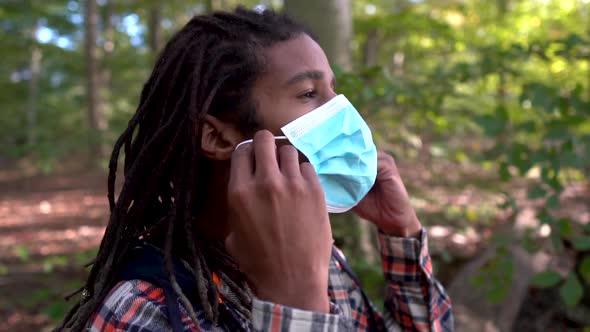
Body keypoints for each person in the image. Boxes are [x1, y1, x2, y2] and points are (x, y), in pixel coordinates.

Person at [57, 7, 453, 332]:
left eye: (333, 90)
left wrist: (401, 233)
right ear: (217, 136)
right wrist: (297, 302)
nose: (343, 113)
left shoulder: (322, 257)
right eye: (309, 94)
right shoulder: (146, 311)